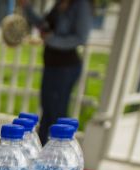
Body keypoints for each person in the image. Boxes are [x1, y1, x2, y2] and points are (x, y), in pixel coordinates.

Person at [18, 0, 93, 144]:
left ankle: (56, 154)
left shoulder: (81, 4)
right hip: (51, 64)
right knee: (47, 112)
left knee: (56, 114)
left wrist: (52, 40)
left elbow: (81, 37)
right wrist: (27, 7)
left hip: (65, 66)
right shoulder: (60, 3)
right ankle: (41, 151)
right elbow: (45, 25)